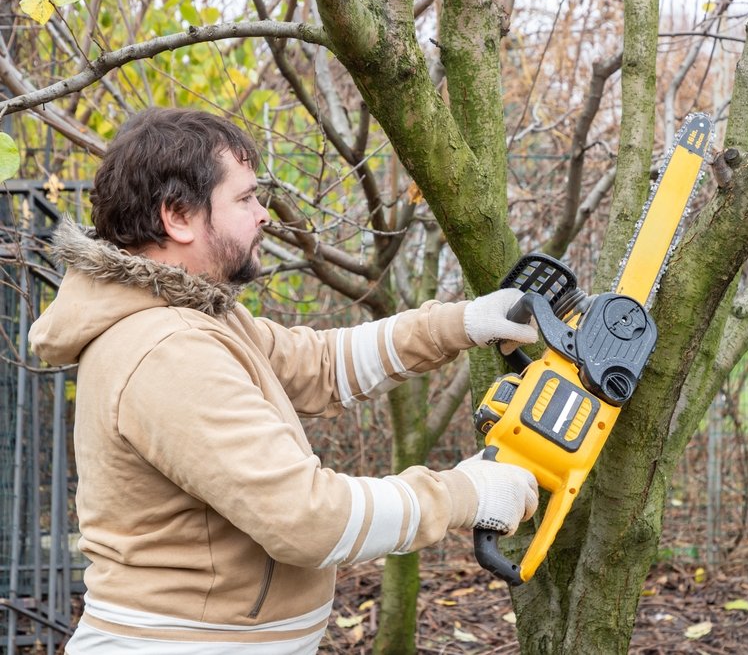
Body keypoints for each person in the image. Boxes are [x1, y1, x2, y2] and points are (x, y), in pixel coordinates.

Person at [29, 108, 539, 654]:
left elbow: (318, 363)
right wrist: (465, 494)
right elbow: (309, 519)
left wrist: (460, 323)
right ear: (178, 216)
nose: (264, 214)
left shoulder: (195, 316)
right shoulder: (167, 350)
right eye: (245, 198)